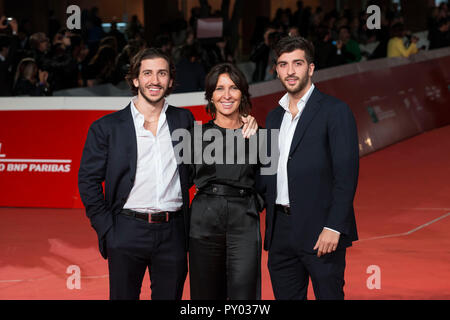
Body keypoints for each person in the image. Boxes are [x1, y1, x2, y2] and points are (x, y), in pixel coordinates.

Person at [78, 48, 257, 300]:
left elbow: (217, 149)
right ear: (135, 79)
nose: (155, 80)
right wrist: (107, 229)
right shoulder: (107, 128)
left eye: (162, 73)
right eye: (147, 73)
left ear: (170, 81)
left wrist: (247, 122)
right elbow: (88, 181)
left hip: (173, 233)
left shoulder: (183, 120)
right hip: (126, 230)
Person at [263, 36, 359, 300]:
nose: (290, 71)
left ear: (311, 68)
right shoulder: (273, 117)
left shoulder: (335, 111)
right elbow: (267, 173)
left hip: (321, 230)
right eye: (283, 65)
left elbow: (346, 175)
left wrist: (334, 227)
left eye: (297, 63)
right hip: (280, 231)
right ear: (277, 69)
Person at [188, 63, 264, 300]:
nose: (227, 95)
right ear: (210, 95)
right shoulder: (195, 136)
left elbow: (267, 184)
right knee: (205, 296)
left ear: (242, 93)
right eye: (219, 88)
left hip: (244, 221)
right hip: (204, 221)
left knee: (245, 294)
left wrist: (251, 206)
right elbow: (180, 182)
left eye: (233, 88)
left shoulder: (258, 135)